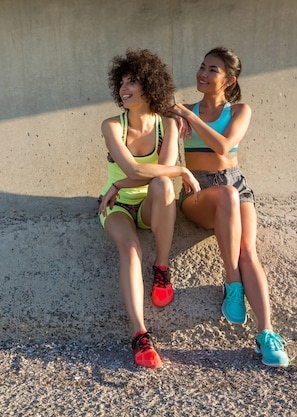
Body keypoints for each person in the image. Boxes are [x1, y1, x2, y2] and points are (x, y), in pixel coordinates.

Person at [167, 47, 289, 367]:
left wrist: (190, 116)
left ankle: (267, 335)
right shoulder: (181, 112)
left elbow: (223, 147)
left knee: (249, 250)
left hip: (236, 183)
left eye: (212, 70)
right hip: (200, 192)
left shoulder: (239, 111)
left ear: (229, 79)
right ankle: (232, 281)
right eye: (202, 67)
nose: (203, 74)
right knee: (225, 197)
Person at [98, 49, 200, 369]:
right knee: (129, 250)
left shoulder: (166, 125)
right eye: (122, 83)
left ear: (150, 87)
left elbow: (160, 175)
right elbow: (140, 169)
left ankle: (162, 268)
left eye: (133, 82)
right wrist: (182, 171)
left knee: (163, 186)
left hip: (147, 203)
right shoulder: (112, 125)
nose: (124, 89)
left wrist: (122, 183)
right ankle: (140, 335)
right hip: (114, 206)